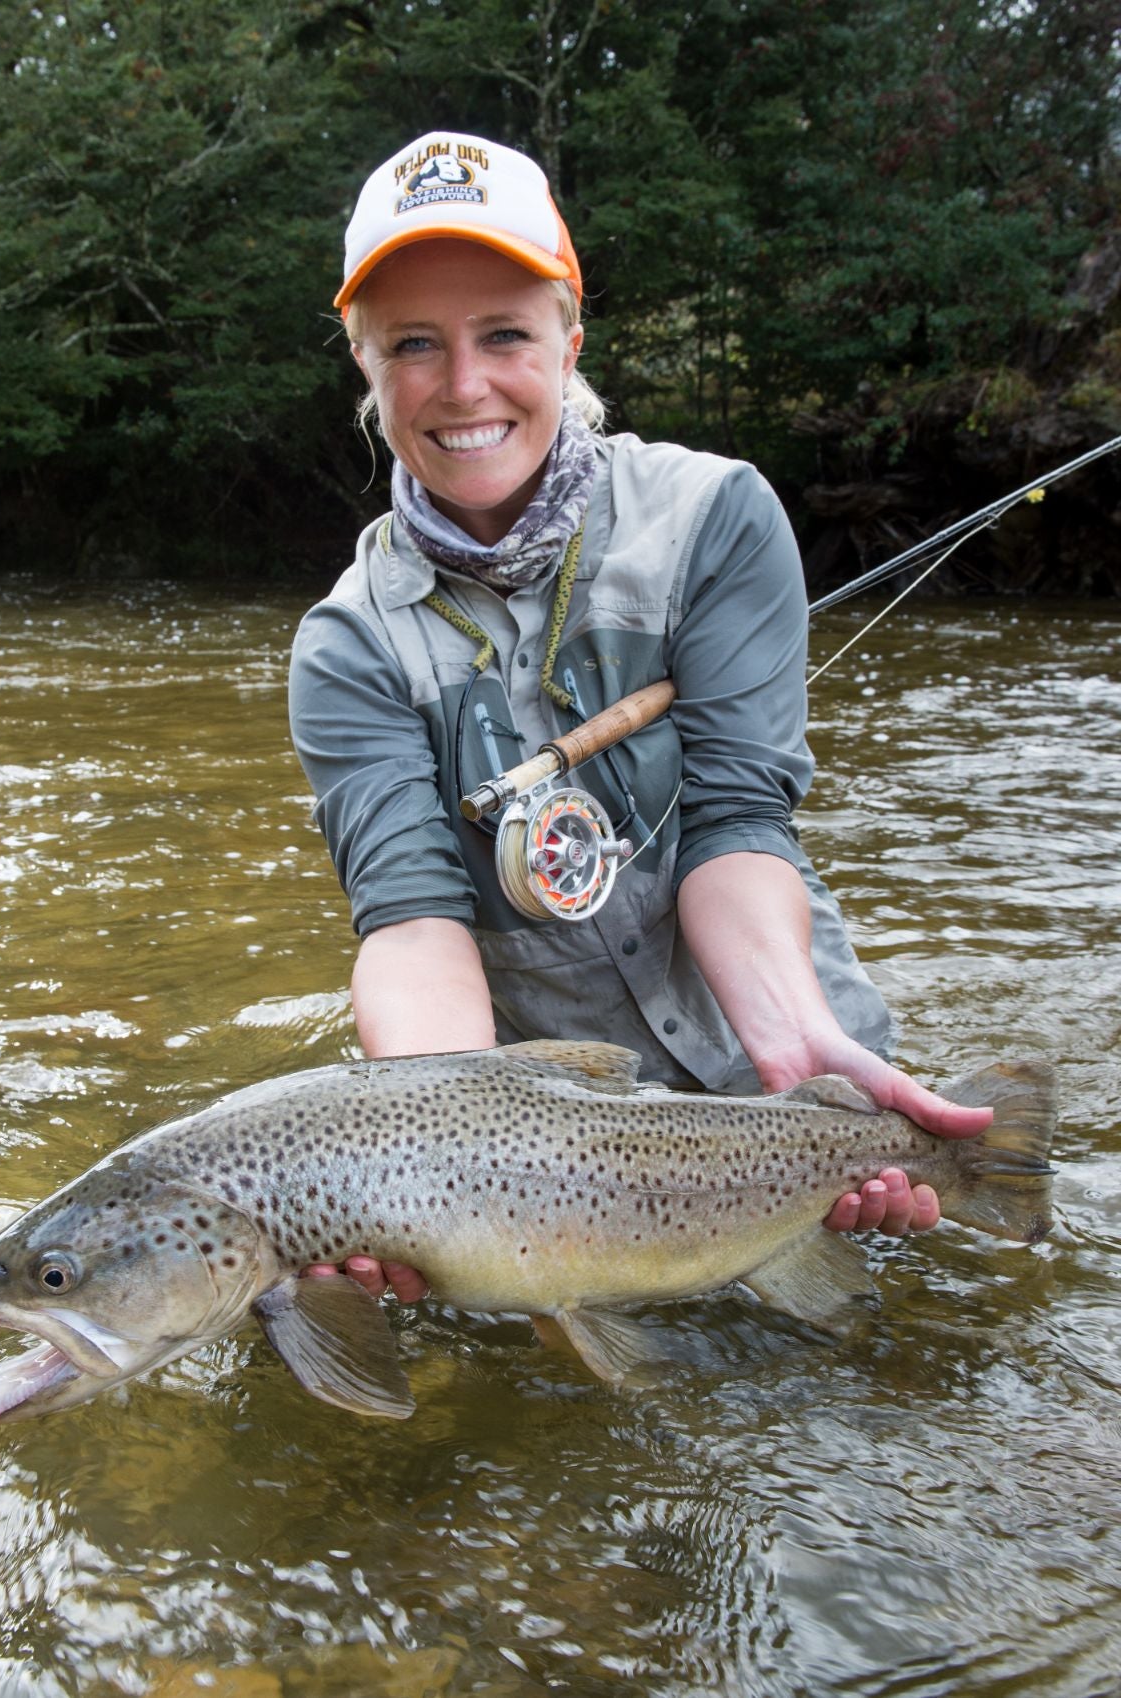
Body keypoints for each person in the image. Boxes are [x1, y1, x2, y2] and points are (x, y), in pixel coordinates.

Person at [288, 130, 991, 1305]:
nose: (464, 385)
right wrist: (416, 1166)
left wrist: (796, 1053)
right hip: (552, 1165)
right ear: (365, 366)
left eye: (504, 333)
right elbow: (410, 923)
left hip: (792, 1074)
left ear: (569, 338)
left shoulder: (716, 517)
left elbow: (732, 818)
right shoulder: (347, 644)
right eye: (413, 343)